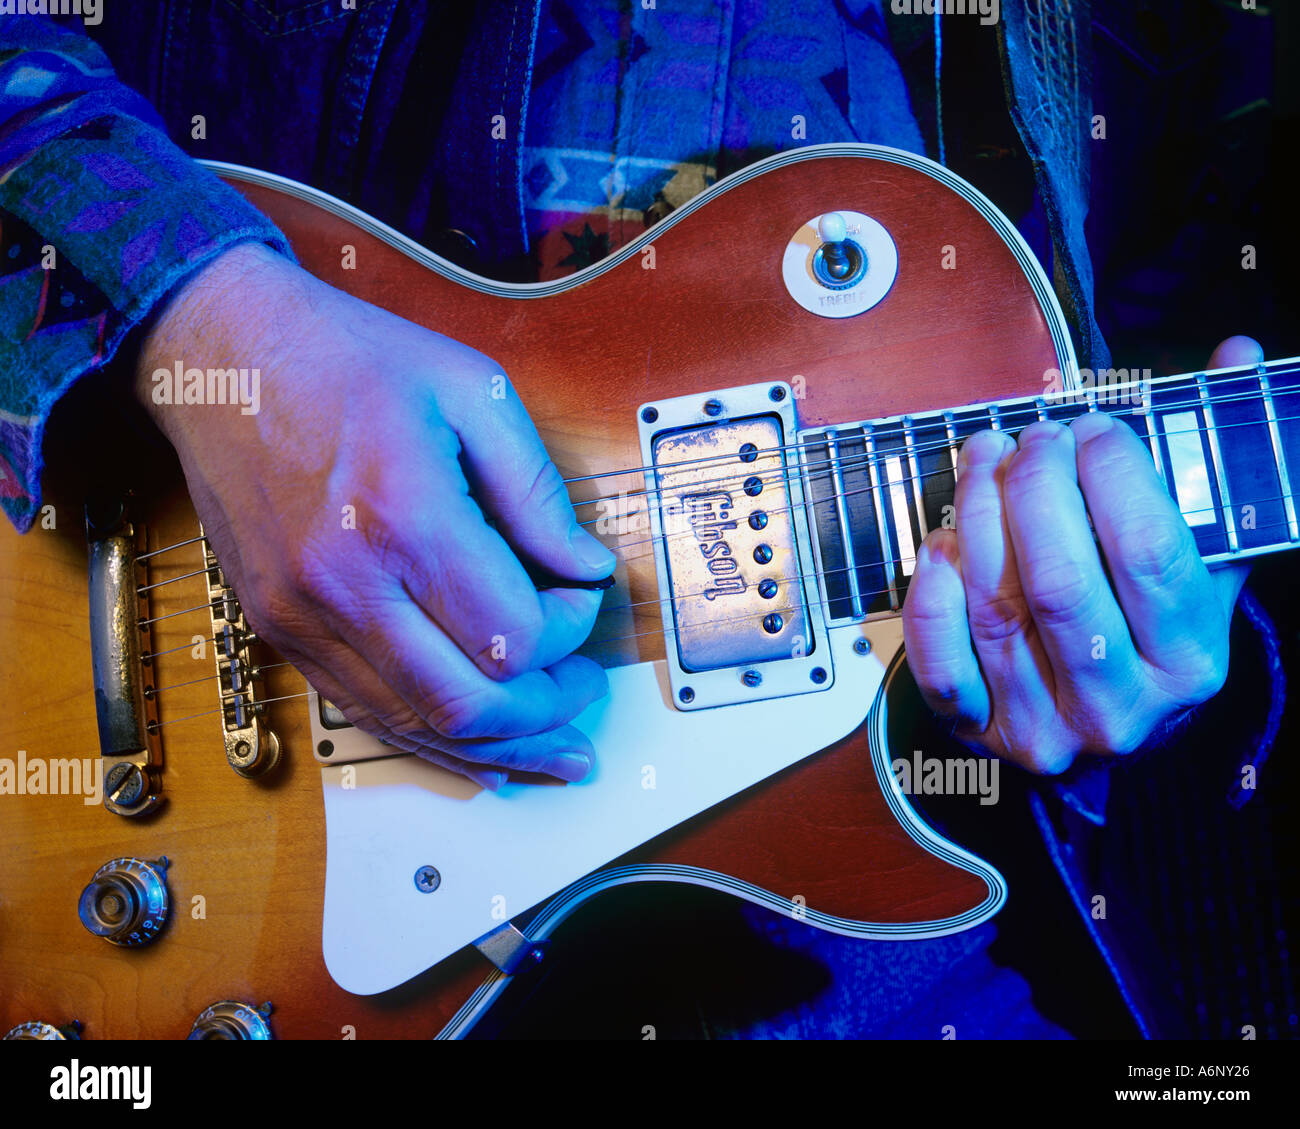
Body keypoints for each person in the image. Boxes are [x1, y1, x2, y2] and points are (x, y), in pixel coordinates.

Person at [0, 1, 1290, 1038]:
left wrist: (1139, 626)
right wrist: (207, 323)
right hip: (131, 618)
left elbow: (1149, 372)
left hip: (850, 903)